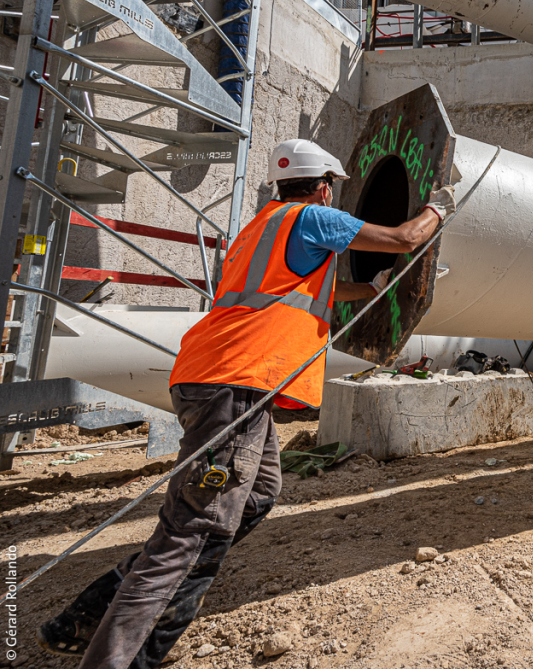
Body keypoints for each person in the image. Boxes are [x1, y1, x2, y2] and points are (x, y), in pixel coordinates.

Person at [38, 140, 457, 668]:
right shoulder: (312, 217)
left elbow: (308, 294)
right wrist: (440, 206)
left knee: (257, 494)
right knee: (193, 533)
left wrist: (368, 286)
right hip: (233, 384)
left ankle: (87, 620)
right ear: (324, 185)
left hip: (216, 378)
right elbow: (403, 238)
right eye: (333, 188)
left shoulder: (261, 230)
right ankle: (115, 657)